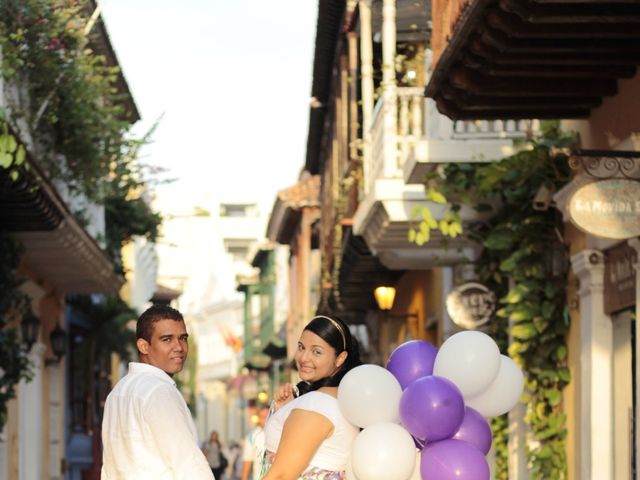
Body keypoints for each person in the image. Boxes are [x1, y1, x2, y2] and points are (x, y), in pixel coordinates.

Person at [101, 304, 214, 479]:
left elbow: (109, 467)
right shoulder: (158, 390)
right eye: (167, 339)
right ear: (143, 346)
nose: (179, 347)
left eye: (183, 338)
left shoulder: (117, 393)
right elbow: (189, 465)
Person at [260, 314, 362, 480]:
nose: (303, 358)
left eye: (317, 352)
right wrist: (287, 411)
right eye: (301, 347)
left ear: (340, 358)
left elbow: (281, 475)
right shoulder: (340, 400)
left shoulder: (316, 404)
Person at [241, 406, 270, 480]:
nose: (264, 419)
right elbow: (247, 463)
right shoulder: (251, 437)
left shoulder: (280, 432)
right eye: (262, 416)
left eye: (267, 415)